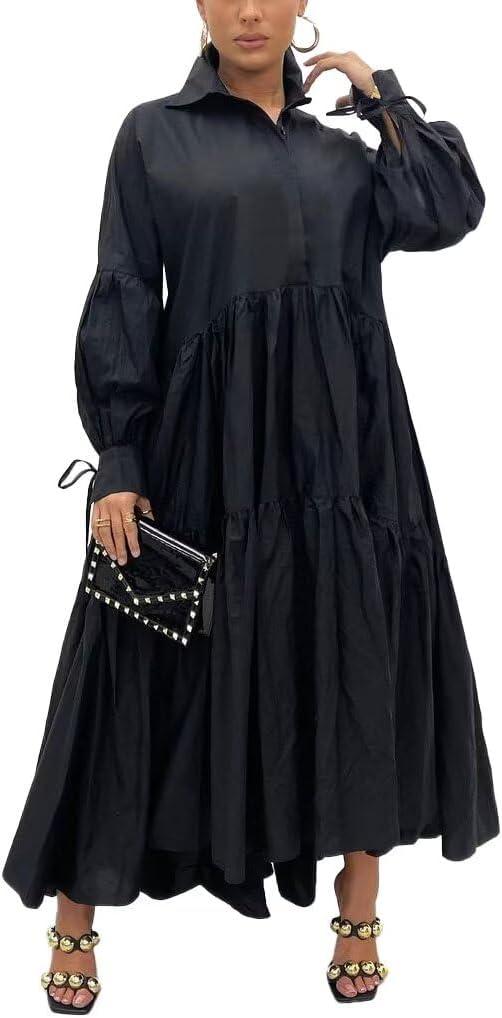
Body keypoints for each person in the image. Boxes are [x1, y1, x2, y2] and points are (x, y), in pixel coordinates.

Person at [3, 1, 499, 1010]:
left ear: (301, 3)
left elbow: (447, 211)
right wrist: (119, 455)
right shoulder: (154, 133)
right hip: (204, 449)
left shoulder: (348, 149)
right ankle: (74, 917)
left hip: (349, 456)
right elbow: (124, 288)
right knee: (133, 658)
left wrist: (383, 97)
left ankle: (358, 908)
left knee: (352, 644)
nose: (248, 10)